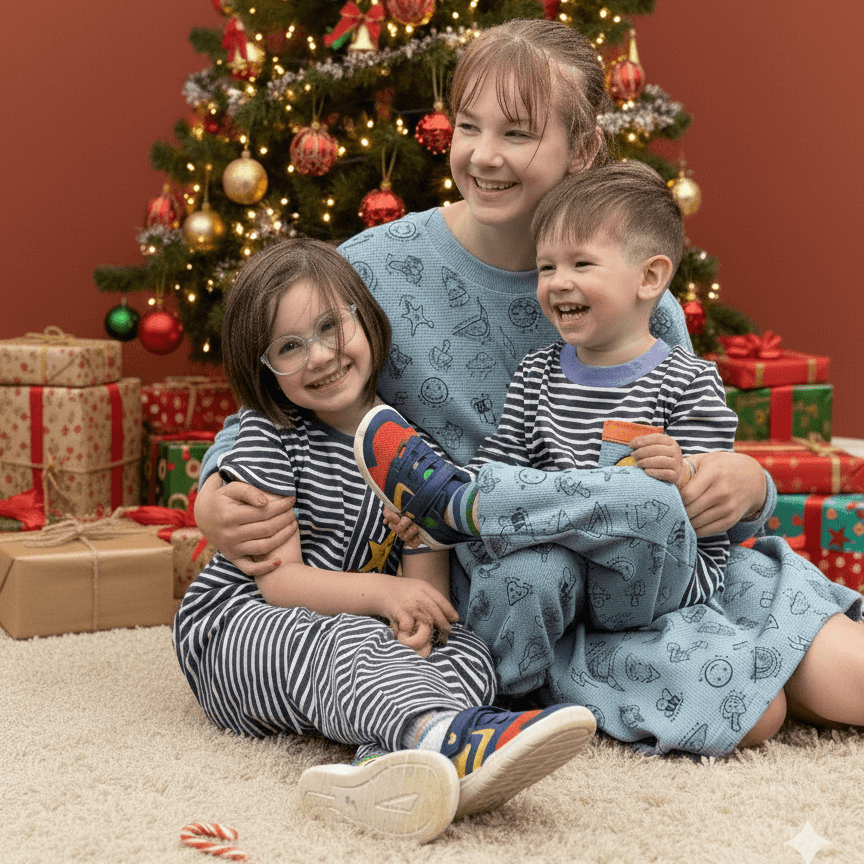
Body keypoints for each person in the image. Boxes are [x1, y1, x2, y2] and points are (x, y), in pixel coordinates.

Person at [193, 19, 864, 757]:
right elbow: (281, 389)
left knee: (846, 678)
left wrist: (745, 480)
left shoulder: (642, 295)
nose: (483, 155)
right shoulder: (376, 268)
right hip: (514, 585)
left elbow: (691, 440)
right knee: (755, 712)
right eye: (469, 126)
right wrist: (216, 491)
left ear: (582, 150)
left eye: (516, 133)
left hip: (652, 562)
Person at [173, 238, 597, 844]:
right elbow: (280, 584)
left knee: (465, 651)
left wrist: (420, 570)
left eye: (328, 327)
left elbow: (421, 597)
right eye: (289, 347)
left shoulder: (407, 445)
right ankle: (443, 736)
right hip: (245, 629)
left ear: (363, 317)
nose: (318, 356)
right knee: (342, 638)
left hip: (363, 629)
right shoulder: (269, 438)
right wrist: (382, 595)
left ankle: (380, 762)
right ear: (263, 368)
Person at [354, 160, 738, 644]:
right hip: (561, 575)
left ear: (649, 278)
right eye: (546, 267)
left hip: (656, 582)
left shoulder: (690, 380)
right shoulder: (538, 375)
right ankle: (515, 686)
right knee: (521, 574)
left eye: (581, 264)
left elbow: (711, 513)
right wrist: (452, 505)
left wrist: (685, 473)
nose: (557, 281)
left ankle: (456, 507)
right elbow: (501, 466)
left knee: (646, 496)